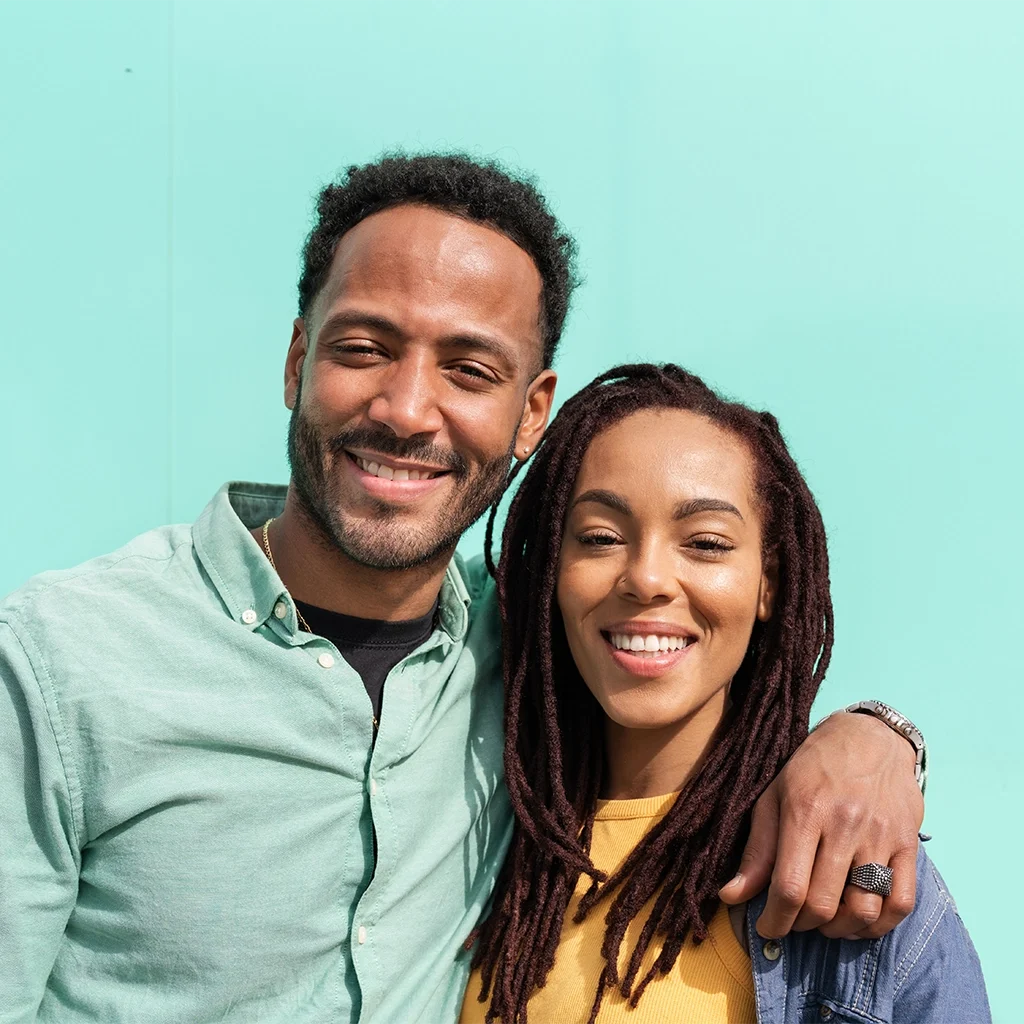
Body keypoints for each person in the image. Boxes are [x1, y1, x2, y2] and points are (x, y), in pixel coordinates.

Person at [1, 155, 925, 1024]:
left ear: (532, 412)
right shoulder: (60, 662)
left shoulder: (530, 651)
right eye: (364, 348)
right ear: (296, 360)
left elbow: (699, 655)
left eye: (469, 370)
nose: (406, 409)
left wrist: (880, 738)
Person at [461, 364, 989, 1023]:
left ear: (769, 582)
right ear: (550, 570)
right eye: (600, 537)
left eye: (705, 543)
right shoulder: (474, 835)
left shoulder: (852, 871)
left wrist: (883, 731)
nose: (647, 577)